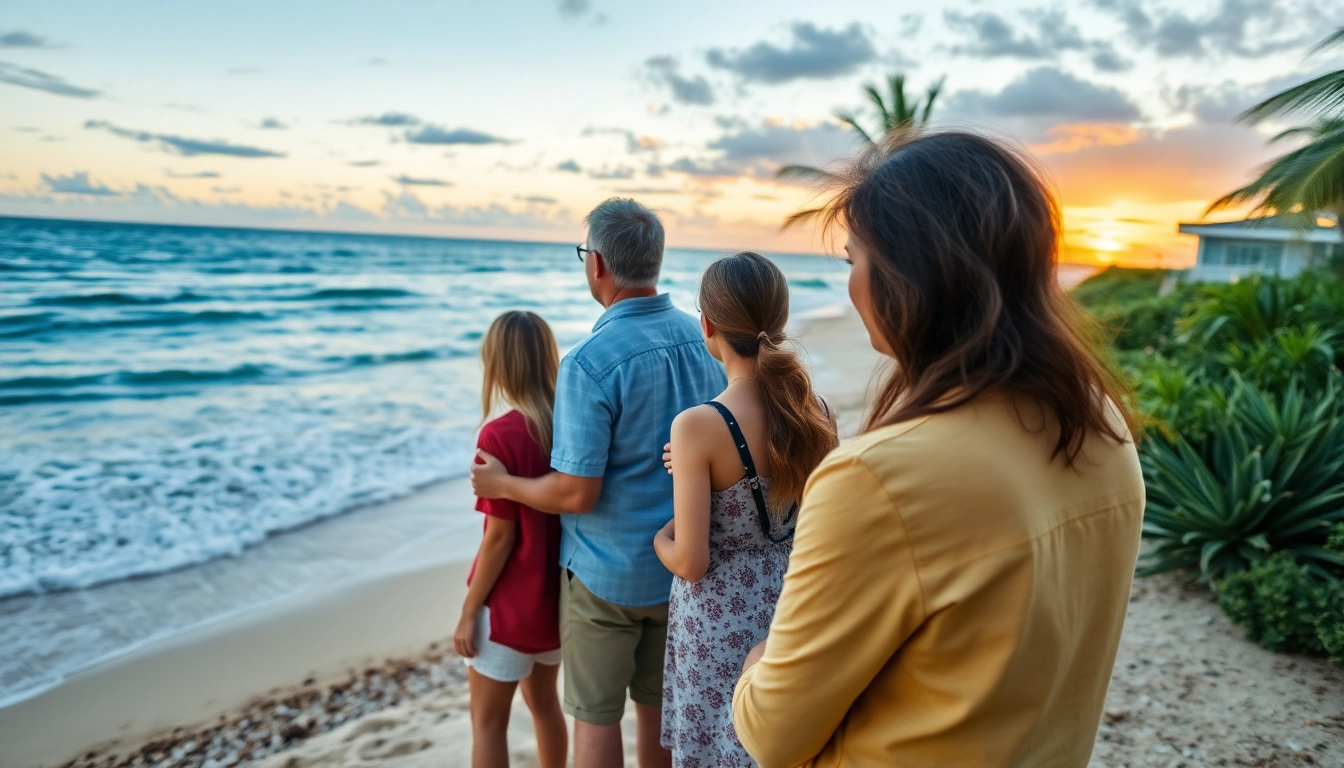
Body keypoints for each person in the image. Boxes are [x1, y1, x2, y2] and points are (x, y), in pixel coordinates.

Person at [731, 131, 1146, 767]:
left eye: (852, 261)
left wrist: (759, 657)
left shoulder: (878, 477)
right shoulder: (1100, 422)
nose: (852, 284)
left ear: (908, 274)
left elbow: (771, 733)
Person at [471, 198, 727, 768]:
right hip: (685, 563)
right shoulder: (707, 343)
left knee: (595, 716)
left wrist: (506, 485)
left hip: (605, 576)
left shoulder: (588, 362)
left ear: (599, 265)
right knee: (660, 717)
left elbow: (575, 492)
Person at [653, 251, 837, 767]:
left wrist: (659, 538)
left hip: (715, 624)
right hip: (789, 607)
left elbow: (692, 561)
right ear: (777, 322)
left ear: (707, 326)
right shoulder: (815, 413)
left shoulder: (697, 426)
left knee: (713, 749)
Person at [456, 311, 568, 768]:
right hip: (555, 603)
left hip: (506, 609)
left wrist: (467, 613)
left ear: (498, 364)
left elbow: (499, 539)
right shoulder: (569, 425)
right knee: (545, 706)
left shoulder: (498, 435)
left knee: (487, 722)